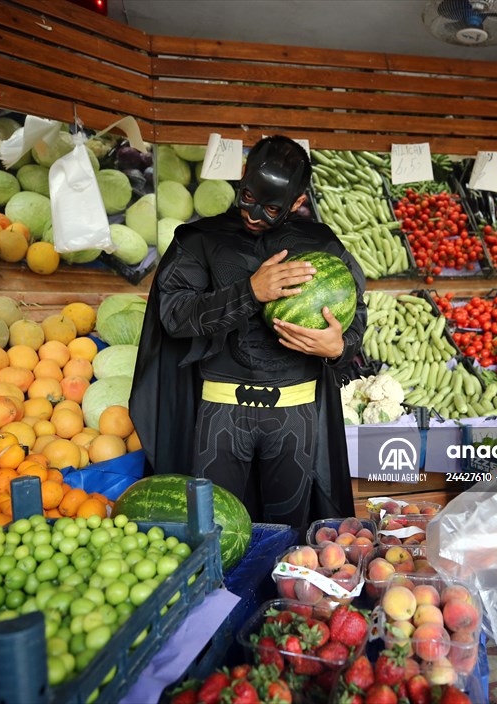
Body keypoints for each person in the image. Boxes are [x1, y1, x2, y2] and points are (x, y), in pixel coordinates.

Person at [130, 135, 367, 529]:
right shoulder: (200, 240)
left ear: (297, 203)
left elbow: (355, 313)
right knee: (216, 533)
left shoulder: (324, 245)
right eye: (248, 197)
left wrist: (339, 346)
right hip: (221, 412)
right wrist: (250, 292)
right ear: (242, 178)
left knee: (291, 535)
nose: (255, 214)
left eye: (272, 207)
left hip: (297, 414)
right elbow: (172, 315)